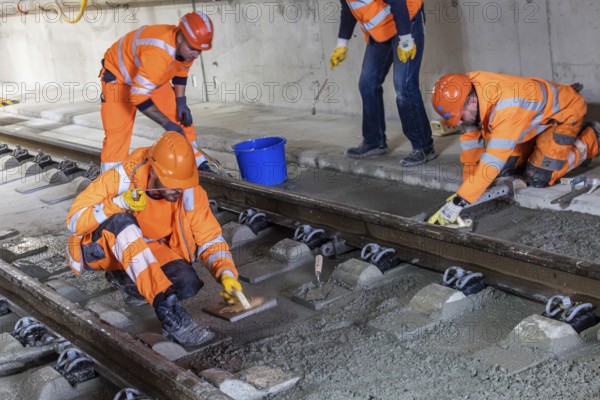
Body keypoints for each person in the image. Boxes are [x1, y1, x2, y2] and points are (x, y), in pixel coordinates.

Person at [65, 132, 243, 346]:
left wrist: (226, 273)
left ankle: (127, 281)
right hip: (103, 247)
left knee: (188, 285)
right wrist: (118, 203)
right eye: (172, 183)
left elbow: (210, 237)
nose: (178, 189)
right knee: (122, 222)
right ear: (154, 171)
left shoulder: (189, 192)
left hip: (148, 248)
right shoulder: (121, 178)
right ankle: (170, 313)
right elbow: (75, 221)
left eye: (182, 183)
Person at [428, 71, 600, 226]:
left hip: (564, 114)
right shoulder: (466, 90)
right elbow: (471, 146)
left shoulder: (507, 107)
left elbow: (492, 162)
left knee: (538, 177)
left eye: (459, 117)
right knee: (506, 171)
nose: (458, 123)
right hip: (532, 121)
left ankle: (592, 137)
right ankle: (540, 145)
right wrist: (467, 188)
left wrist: (460, 201)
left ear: (471, 102)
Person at [99, 11, 214, 173]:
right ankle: (111, 182)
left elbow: (181, 72)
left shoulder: (190, 47)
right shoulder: (159, 52)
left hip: (148, 75)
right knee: (117, 135)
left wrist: (181, 102)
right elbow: (138, 96)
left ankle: (196, 162)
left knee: (180, 117)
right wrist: (167, 124)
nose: (195, 55)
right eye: (193, 49)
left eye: (199, 51)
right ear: (180, 37)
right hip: (118, 77)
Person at [329, 0, 435, 166]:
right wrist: (342, 43)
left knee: (404, 86)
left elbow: (398, 2)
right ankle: (374, 141)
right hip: (381, 30)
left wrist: (406, 39)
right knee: (367, 82)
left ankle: (424, 147)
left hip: (407, 19)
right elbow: (349, 8)